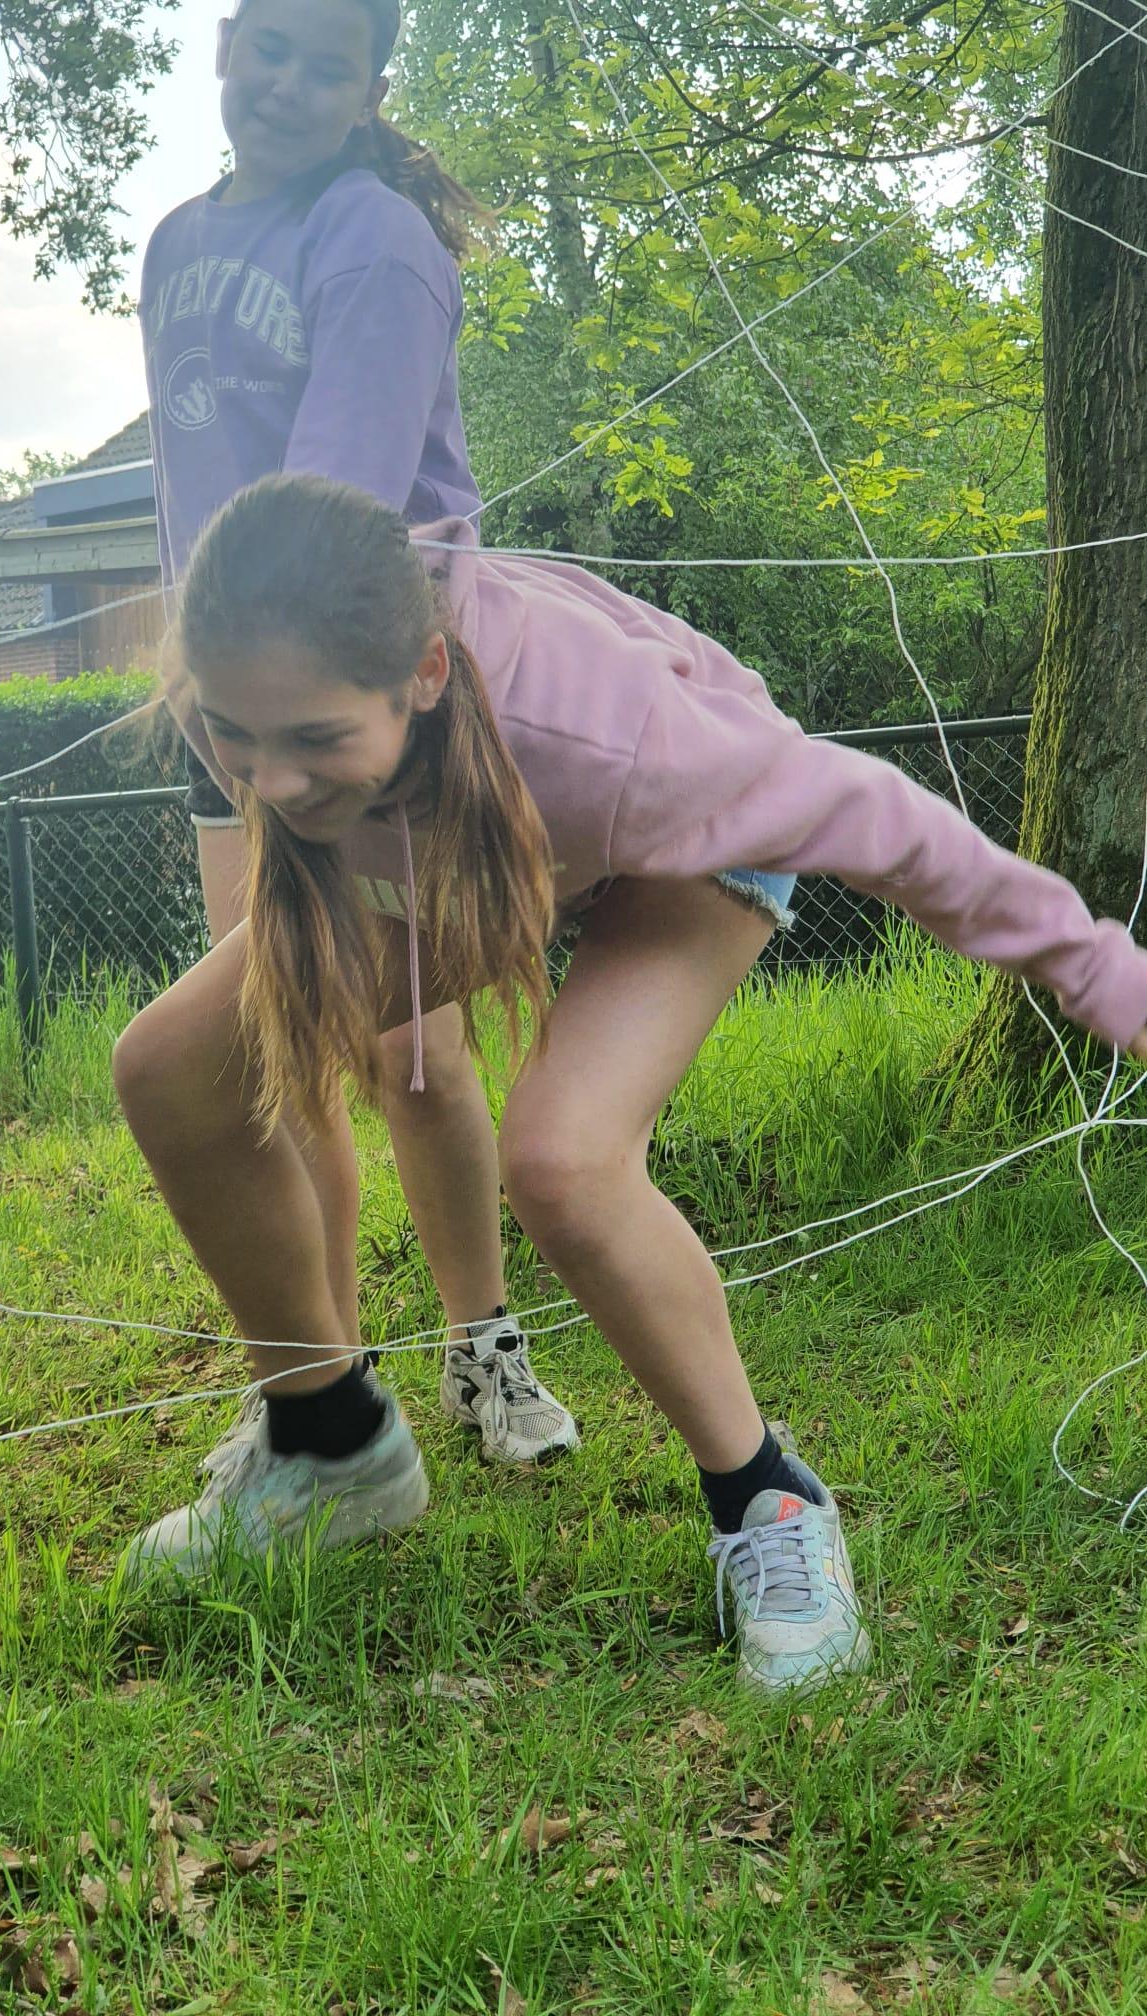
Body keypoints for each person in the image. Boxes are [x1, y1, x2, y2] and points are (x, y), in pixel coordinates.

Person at [113, 474, 1147, 1692]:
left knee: (563, 1158)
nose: (269, 780)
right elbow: (292, 747)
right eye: (236, 734)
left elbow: (896, 828)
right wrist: (290, 757)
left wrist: (1110, 978)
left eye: (314, 740)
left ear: (425, 675)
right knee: (170, 1065)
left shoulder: (634, 748)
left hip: (680, 847)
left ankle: (769, 1505)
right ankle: (329, 1444)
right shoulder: (248, 701)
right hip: (488, 836)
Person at [139, 0, 578, 1464]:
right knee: (279, 1050)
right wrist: (198, 687)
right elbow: (187, 488)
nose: (287, 83)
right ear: (225, 46)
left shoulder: (375, 238)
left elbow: (347, 505)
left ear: (369, 89)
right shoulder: (176, 245)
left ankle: (484, 1348)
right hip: (228, 703)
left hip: (366, 706)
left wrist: (289, 704)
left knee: (412, 1047)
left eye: (328, 66)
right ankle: (323, 1390)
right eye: (269, 49)